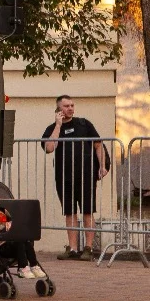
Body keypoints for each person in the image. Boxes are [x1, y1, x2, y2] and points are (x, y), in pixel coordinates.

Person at [42, 94, 108, 260]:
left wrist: (102, 166)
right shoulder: (52, 128)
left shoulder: (84, 124)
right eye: (66, 106)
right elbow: (49, 148)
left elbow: (98, 144)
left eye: (72, 105)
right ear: (58, 109)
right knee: (69, 212)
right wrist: (58, 125)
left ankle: (88, 248)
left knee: (87, 211)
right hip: (64, 176)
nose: (70, 108)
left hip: (86, 175)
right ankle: (72, 248)